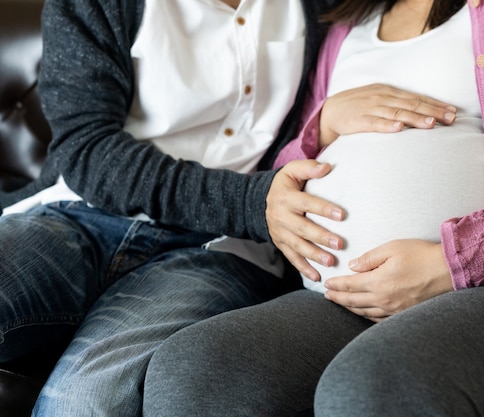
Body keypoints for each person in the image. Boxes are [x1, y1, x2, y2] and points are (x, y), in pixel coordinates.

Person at [142, 1, 484, 416]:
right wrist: (322, 126)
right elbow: (290, 168)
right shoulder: (341, 27)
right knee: (198, 368)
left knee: (375, 382)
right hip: (341, 297)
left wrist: (453, 262)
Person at [0, 0, 351, 415]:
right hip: (75, 214)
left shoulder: (323, 7)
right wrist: (252, 202)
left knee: (85, 402)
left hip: (219, 248)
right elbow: (87, 149)